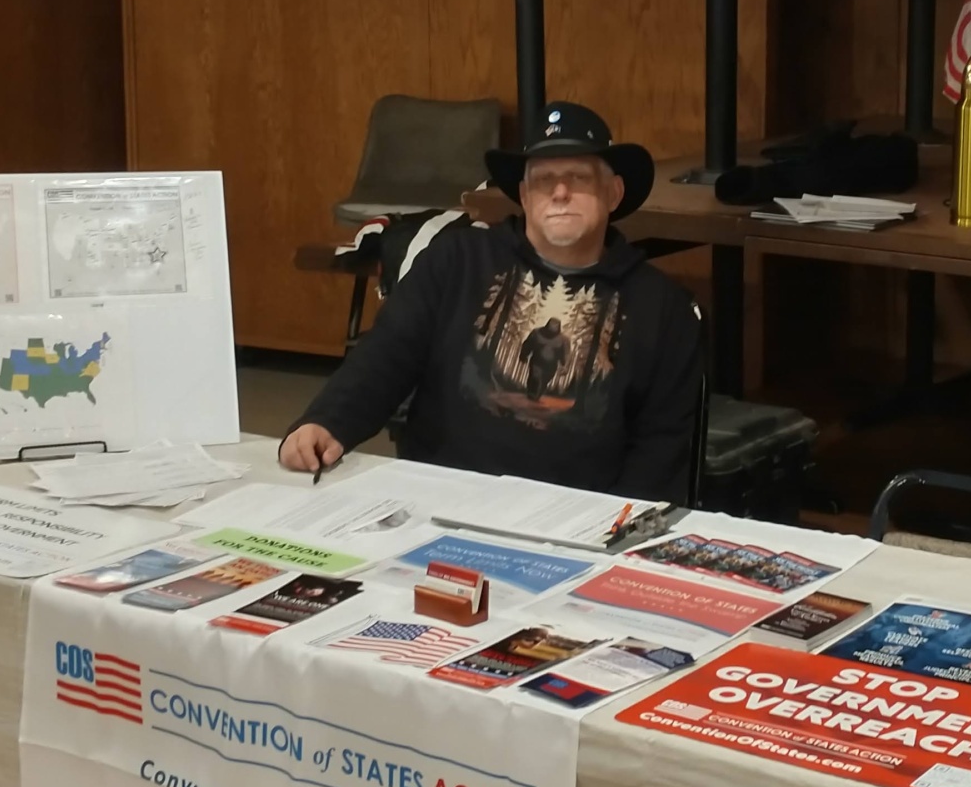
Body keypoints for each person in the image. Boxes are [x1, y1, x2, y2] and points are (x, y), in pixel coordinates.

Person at [278, 102, 704, 502]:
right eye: (542, 180)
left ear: (613, 193)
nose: (559, 192)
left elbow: (660, 448)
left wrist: (616, 531)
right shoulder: (456, 261)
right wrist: (327, 420)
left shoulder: (663, 307)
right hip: (442, 497)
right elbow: (387, 354)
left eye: (578, 178)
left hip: (577, 520)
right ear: (523, 195)